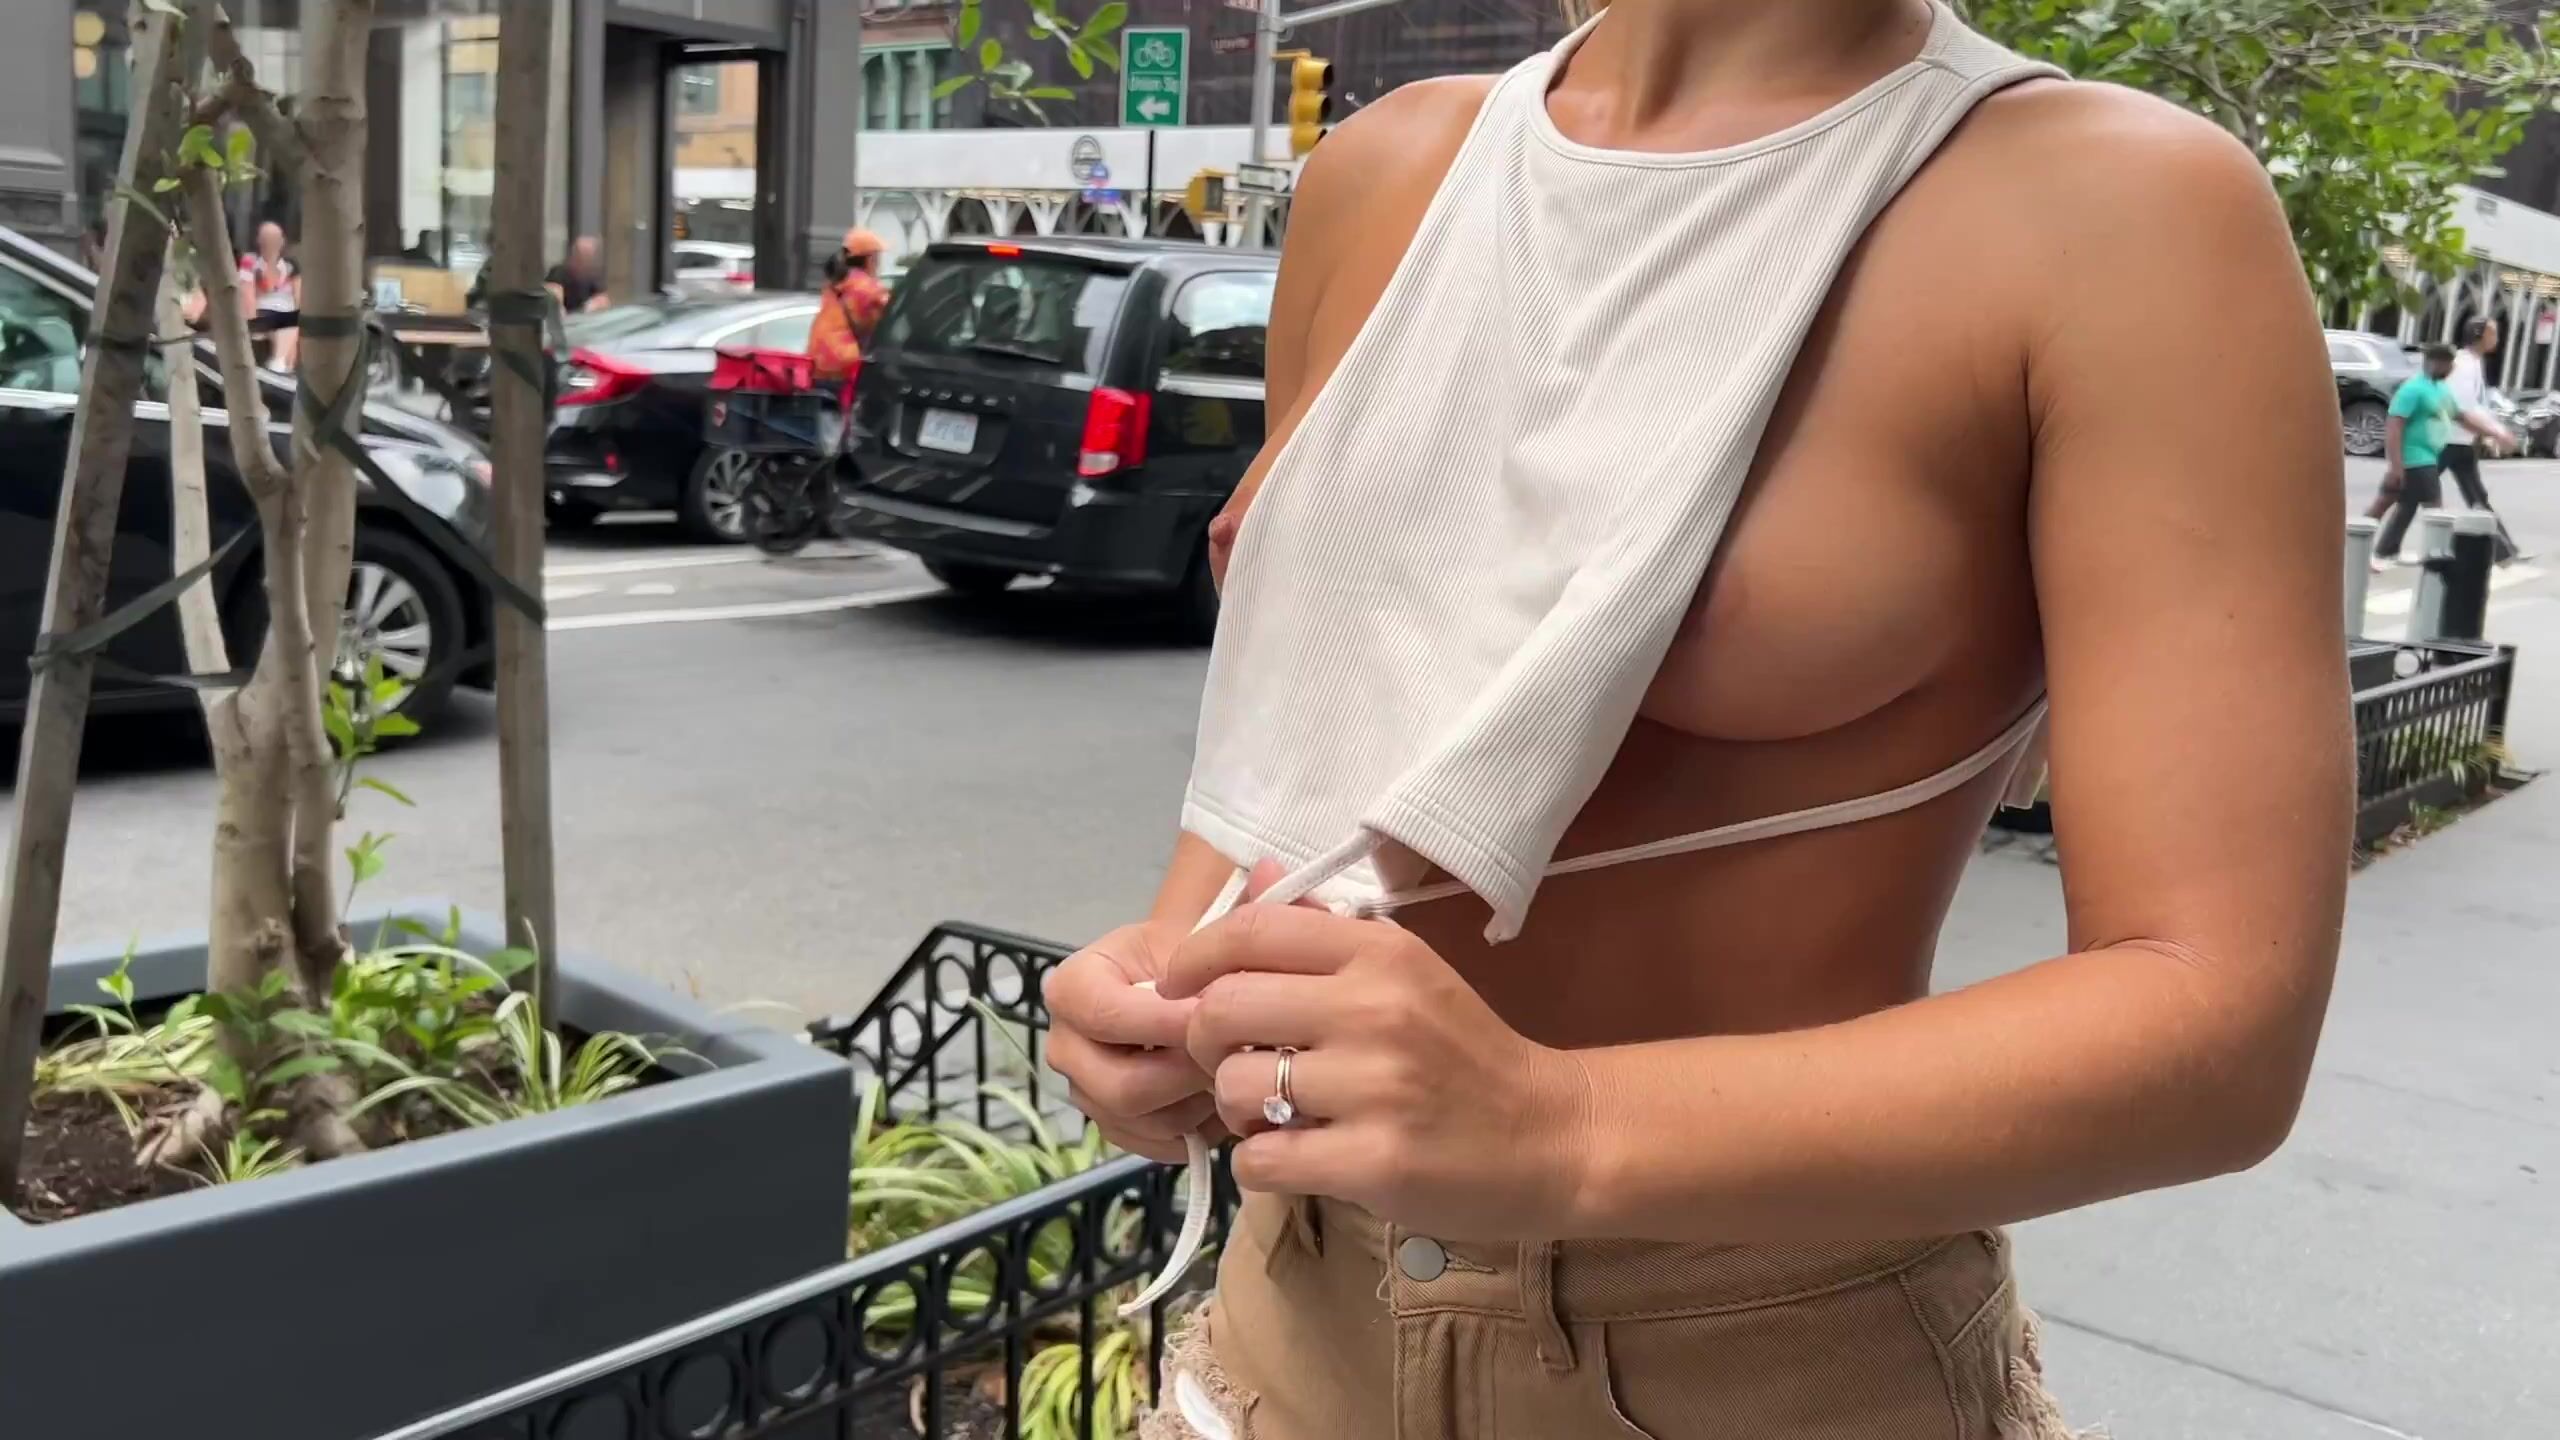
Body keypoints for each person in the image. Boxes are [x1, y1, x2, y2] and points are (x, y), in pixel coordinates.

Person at [1043, 3, 2349, 1438]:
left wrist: (1559, 1126)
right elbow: (1296, 767)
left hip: (1763, 1356)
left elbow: (2218, 1027)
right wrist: (1165, 998)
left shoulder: (2114, 209)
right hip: (1289, 1333)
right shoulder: (1384, 171)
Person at [2438, 316, 2526, 563]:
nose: (2497, 338)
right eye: (2493, 333)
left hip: (2461, 443)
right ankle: (2380, 547)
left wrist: (2489, 432)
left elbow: (2476, 406)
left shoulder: (2474, 363)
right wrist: (2495, 433)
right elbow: (2458, 409)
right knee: (2409, 494)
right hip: (2444, 441)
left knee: (2477, 497)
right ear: (2479, 336)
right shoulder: (2464, 365)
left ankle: (2503, 552)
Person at [2373, 343, 2463, 570]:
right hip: (2415, 459)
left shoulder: (2440, 388)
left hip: (2428, 457)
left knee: (2402, 505)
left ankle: (2384, 551)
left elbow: (2460, 415)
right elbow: (2394, 426)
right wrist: (2396, 466)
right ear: (2436, 363)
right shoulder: (2412, 389)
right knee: (2434, 508)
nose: (2452, 368)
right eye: (2449, 363)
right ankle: (2440, 556)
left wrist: (2492, 432)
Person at [807, 228, 890, 385]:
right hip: (845, 362)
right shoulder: (868, 287)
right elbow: (891, 316)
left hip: (818, 358)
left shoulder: (835, 283)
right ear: (870, 258)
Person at [545, 235, 609, 315]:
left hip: (582, 318)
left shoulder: (591, 275)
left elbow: (602, 298)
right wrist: (557, 305)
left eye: (588, 257)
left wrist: (593, 305)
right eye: (580, 255)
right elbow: (552, 290)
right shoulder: (559, 272)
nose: (585, 261)